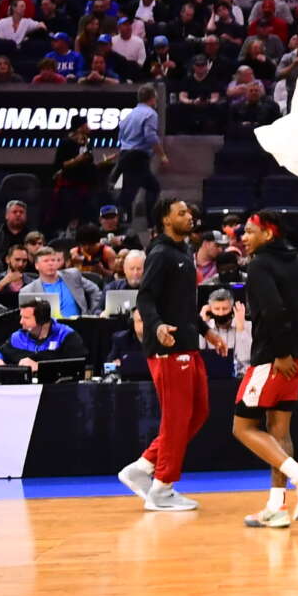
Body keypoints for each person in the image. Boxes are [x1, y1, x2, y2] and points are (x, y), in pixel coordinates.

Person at [116, 197, 215, 512]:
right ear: (165, 220)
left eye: (188, 212)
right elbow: (145, 299)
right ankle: (162, 488)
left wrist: (207, 331)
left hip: (188, 343)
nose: (190, 216)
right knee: (176, 420)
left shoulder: (183, 251)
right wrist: (156, 326)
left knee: (198, 413)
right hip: (168, 348)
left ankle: (143, 467)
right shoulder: (159, 254)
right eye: (182, 213)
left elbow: (184, 303)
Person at [234, 210, 298, 530]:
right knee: (279, 432)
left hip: (274, 358)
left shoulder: (259, 264)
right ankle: (276, 507)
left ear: (268, 234)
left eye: (248, 231)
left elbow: (273, 309)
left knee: (242, 427)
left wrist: (282, 352)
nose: (242, 237)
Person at [112, 89, 165, 222]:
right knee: (129, 194)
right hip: (138, 157)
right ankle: (124, 222)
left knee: (148, 187)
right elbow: (150, 136)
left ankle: (130, 221)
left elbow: (121, 137)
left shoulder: (129, 115)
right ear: (152, 98)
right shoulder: (150, 114)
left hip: (126, 156)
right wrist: (162, 155)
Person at [0, 301, 77, 370]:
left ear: (42, 320)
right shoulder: (17, 337)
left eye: (26, 318)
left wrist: (39, 367)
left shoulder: (65, 335)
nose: (21, 322)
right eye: (21, 317)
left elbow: (76, 365)